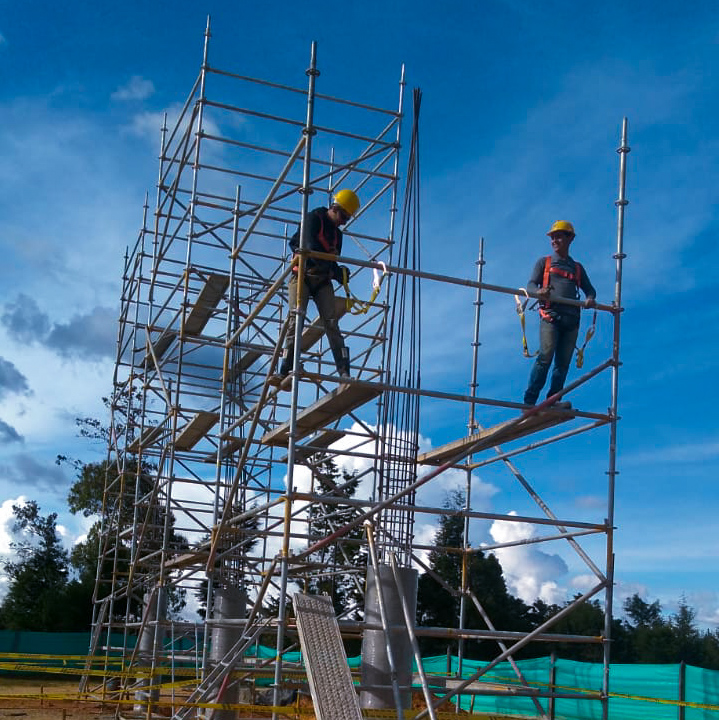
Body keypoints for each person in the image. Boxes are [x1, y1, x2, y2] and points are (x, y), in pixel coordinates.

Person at [270, 189, 360, 388]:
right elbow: (309, 248)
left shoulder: (337, 235)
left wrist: (338, 272)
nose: (344, 221)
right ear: (335, 208)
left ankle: (344, 372)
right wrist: (334, 270)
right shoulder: (313, 219)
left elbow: (330, 261)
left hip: (321, 280)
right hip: (301, 274)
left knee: (331, 324)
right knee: (296, 318)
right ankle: (285, 369)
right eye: (343, 216)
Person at [523, 220, 596, 406]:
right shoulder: (544, 263)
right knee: (545, 356)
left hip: (571, 320)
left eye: (559, 236)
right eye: (552, 237)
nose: (554, 240)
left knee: (562, 364)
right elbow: (530, 285)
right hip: (551, 316)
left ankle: (553, 400)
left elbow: (590, 290)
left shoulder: (576, 268)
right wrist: (538, 292)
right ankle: (529, 401)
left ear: (570, 238)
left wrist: (590, 298)